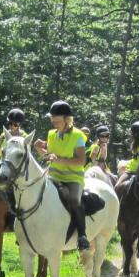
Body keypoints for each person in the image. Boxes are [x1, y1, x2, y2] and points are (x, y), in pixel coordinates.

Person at [32, 100, 90, 251]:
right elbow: (49, 156)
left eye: (57, 120)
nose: (54, 122)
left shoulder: (78, 136)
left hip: (72, 178)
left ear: (67, 119)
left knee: (74, 200)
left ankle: (82, 236)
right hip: (53, 175)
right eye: (53, 119)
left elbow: (81, 161)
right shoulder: (52, 134)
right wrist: (39, 149)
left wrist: (59, 160)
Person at [115, 120, 139, 188]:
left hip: (137, 170)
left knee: (117, 186)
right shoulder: (135, 144)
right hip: (132, 168)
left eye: (132, 133)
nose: (131, 135)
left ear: (135, 134)